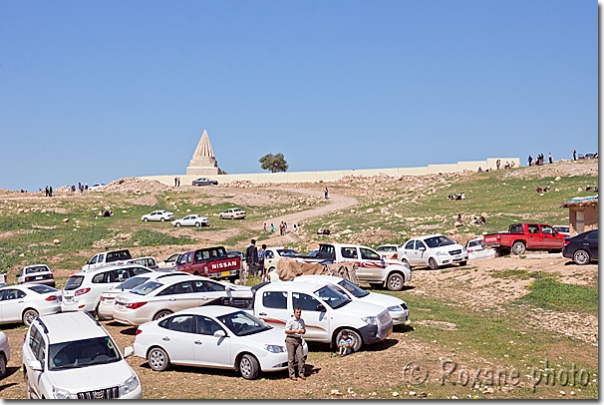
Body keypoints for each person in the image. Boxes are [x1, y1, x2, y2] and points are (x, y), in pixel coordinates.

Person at [285, 307, 306, 381]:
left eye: (299, 312)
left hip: (298, 340)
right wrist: (295, 331)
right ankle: (292, 374)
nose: (298, 314)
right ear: (294, 313)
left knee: (301, 357)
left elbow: (304, 330)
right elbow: (286, 331)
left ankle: (301, 373)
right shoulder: (290, 321)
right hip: (291, 339)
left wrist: (303, 331)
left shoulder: (302, 321)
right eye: (297, 312)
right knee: (291, 358)